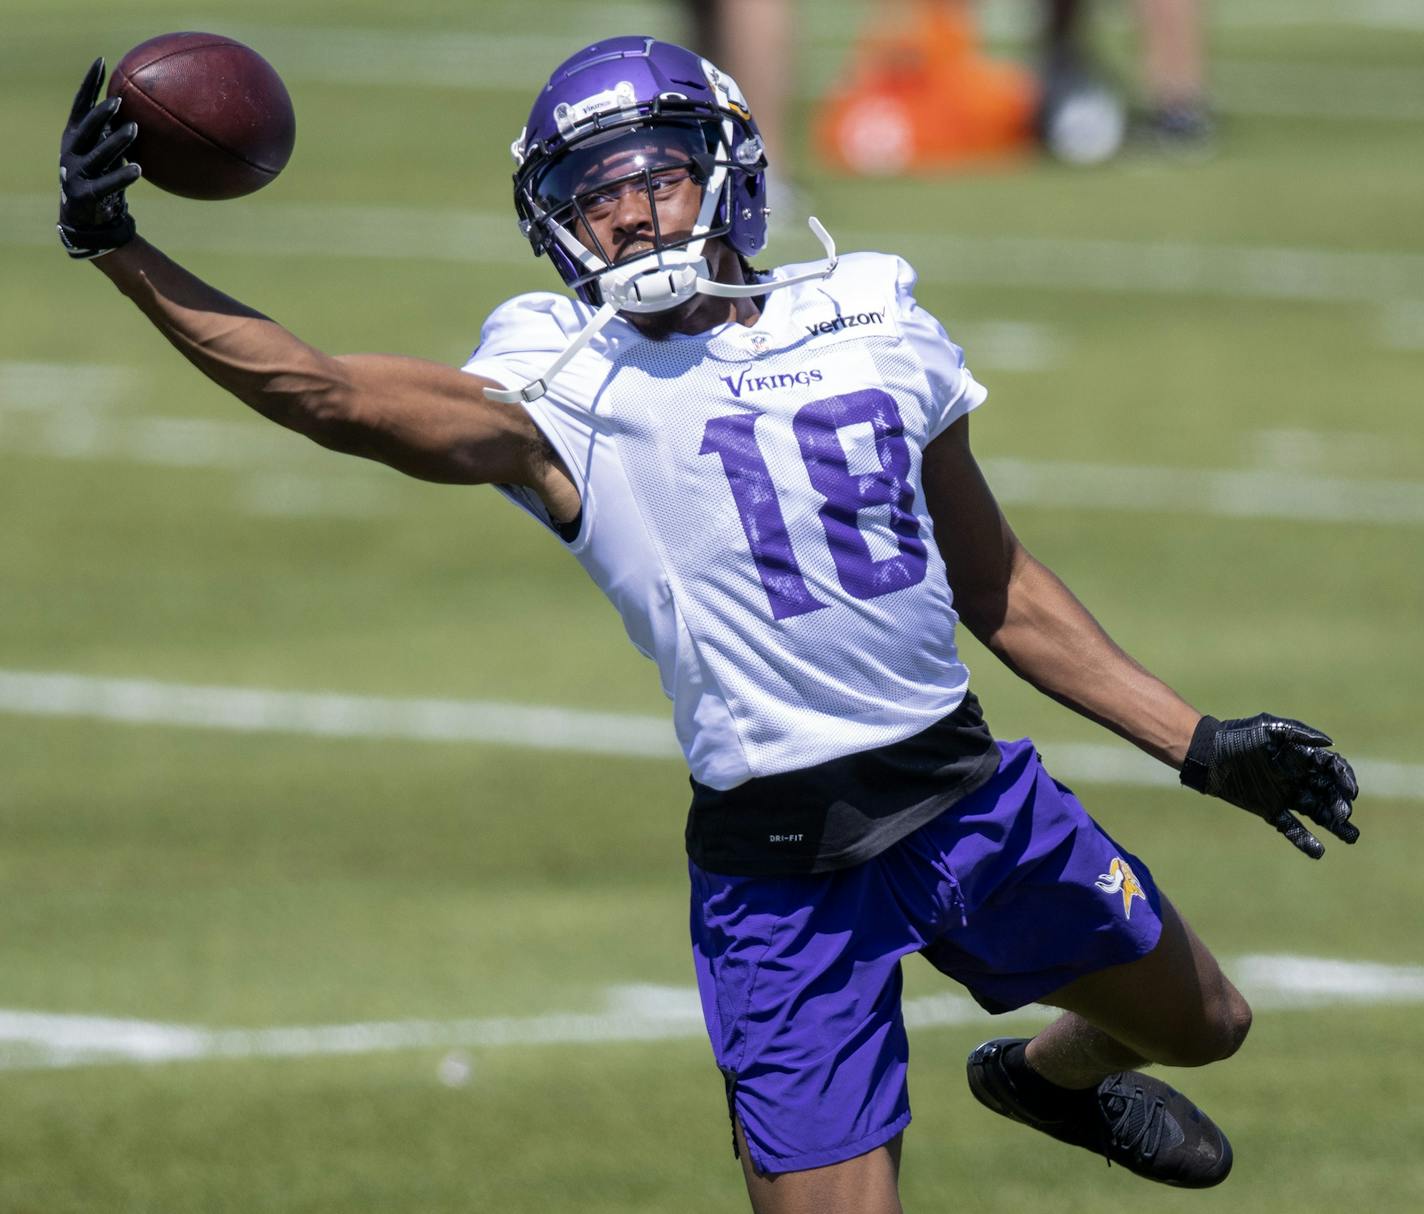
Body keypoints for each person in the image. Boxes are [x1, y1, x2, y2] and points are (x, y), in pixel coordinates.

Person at [58, 38, 1359, 1214]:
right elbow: (327, 394)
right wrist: (124, 248)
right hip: (785, 878)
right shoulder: (560, 383)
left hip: (970, 800)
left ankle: (1041, 1077)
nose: (624, 212)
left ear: (723, 169)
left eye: (652, 175)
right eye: (589, 195)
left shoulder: (871, 314)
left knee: (1208, 1024)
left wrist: (1198, 741)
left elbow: (995, 579)